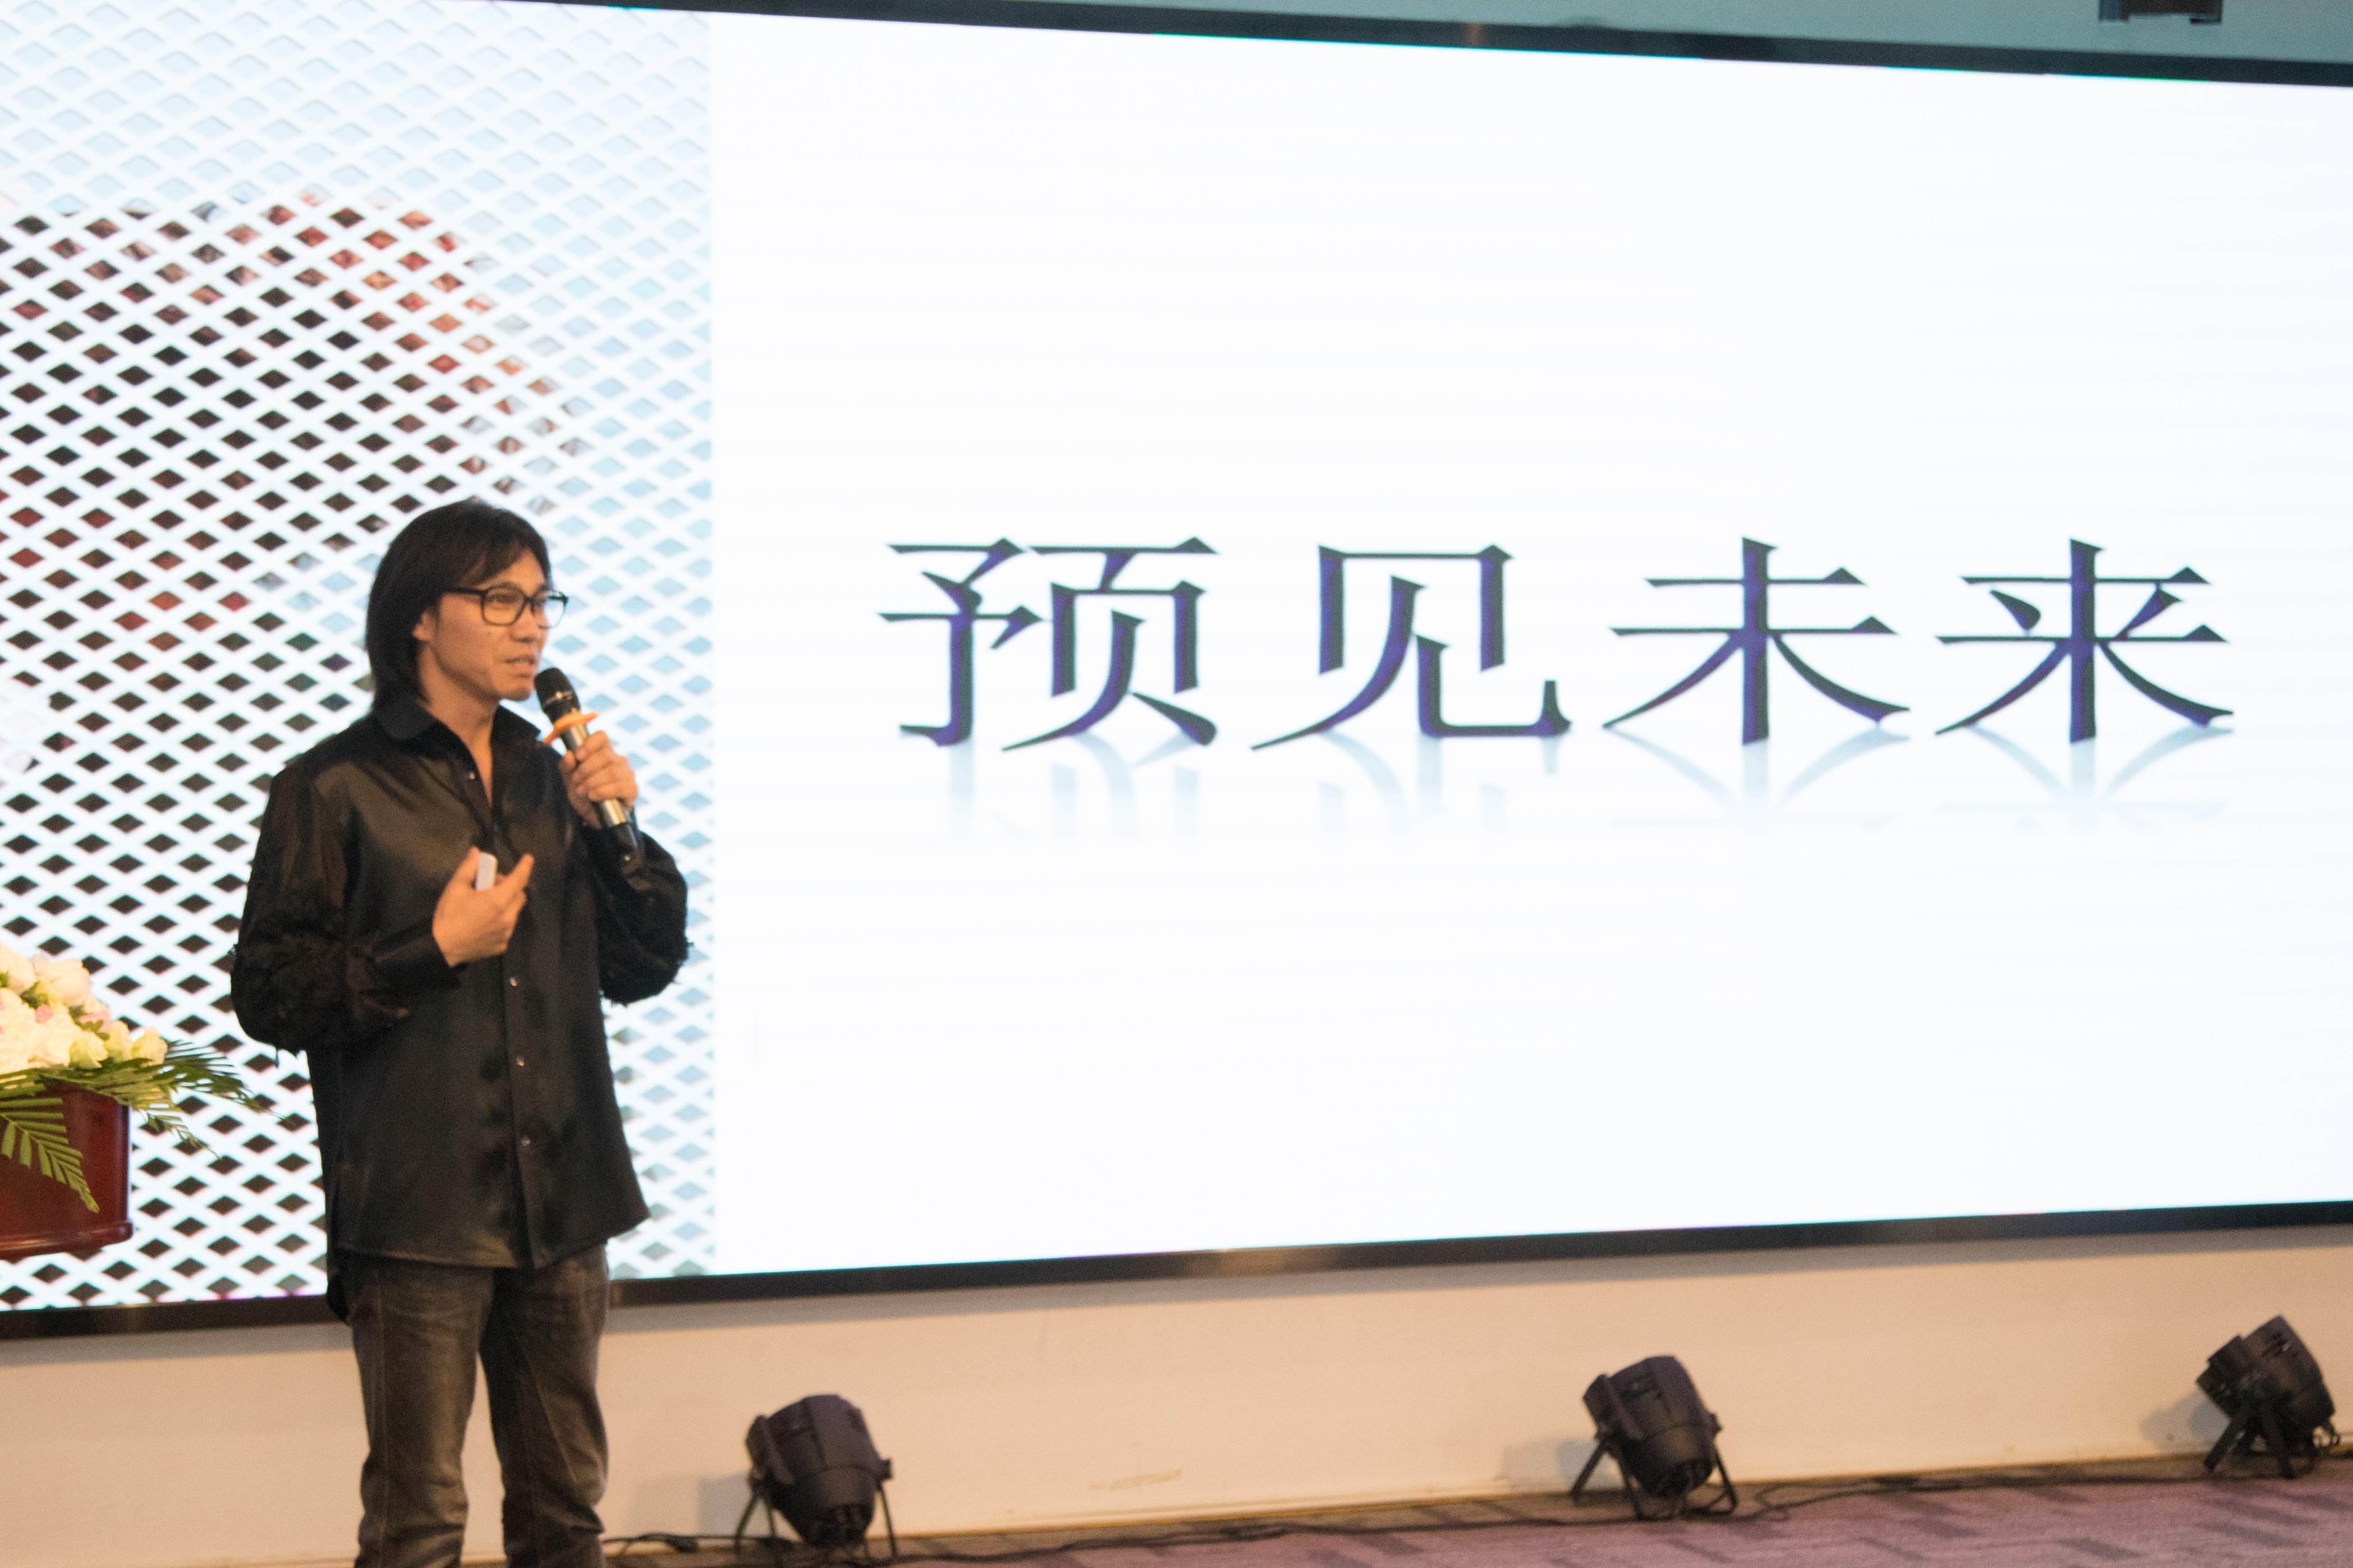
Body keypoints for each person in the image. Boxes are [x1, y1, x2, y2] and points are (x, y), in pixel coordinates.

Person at [231, 499, 689, 1568]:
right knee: (419, 1523)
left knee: (565, 1512)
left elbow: (644, 966)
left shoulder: (555, 777)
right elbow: (271, 994)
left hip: (563, 1200)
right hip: (417, 1212)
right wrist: (429, 949)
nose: (533, 627)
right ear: (419, 618)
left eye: (541, 602)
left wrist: (619, 828)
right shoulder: (333, 787)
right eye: (501, 601)